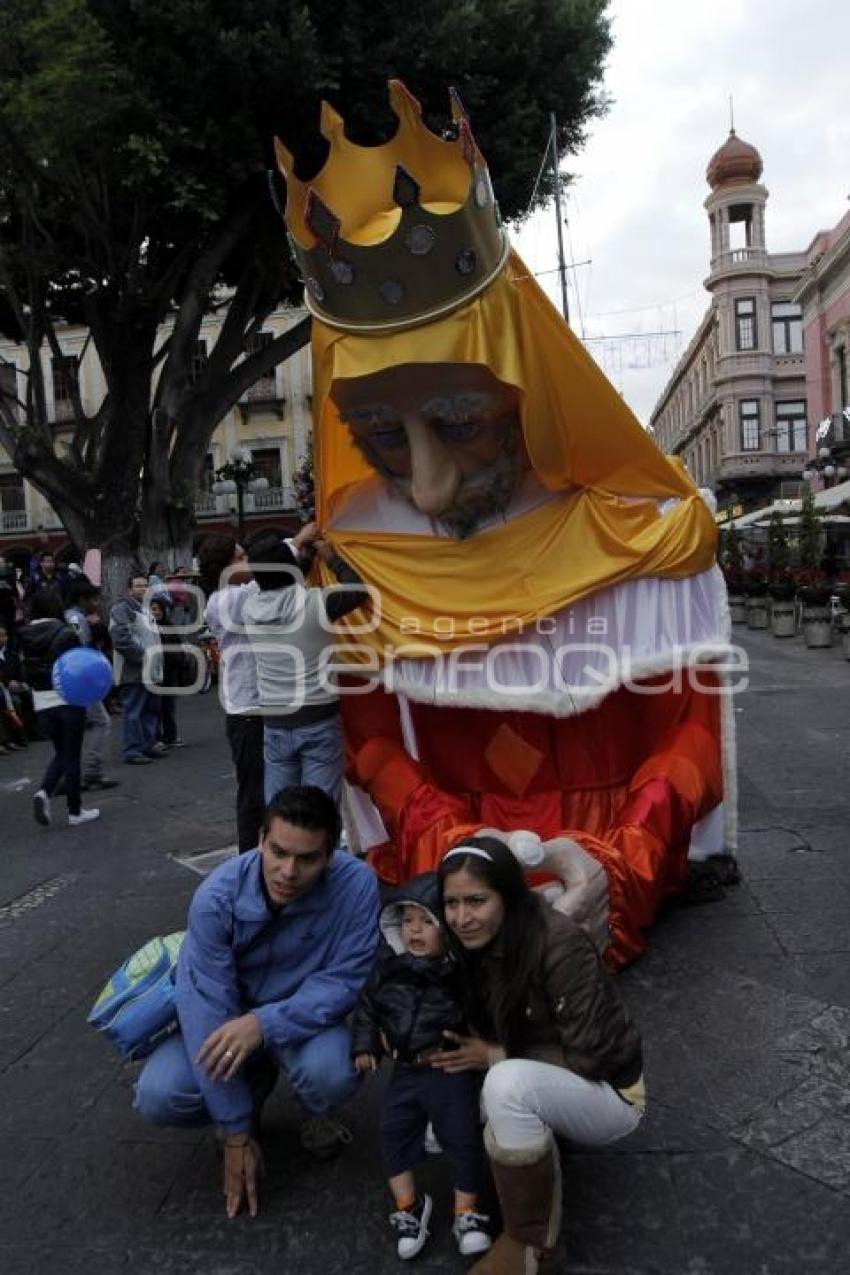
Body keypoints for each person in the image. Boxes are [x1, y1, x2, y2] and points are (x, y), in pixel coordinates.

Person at [274, 80, 734, 968]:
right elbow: (370, 742)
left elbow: (690, 739)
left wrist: (614, 870)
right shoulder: (359, 552)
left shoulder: (652, 531)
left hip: (597, 863)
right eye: (381, 439)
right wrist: (454, 862)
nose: (433, 488)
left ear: (526, 388)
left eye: (458, 421)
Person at [133, 785, 380, 1219]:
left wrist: (264, 1024)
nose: (288, 871)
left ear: (331, 856)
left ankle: (315, 1110)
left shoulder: (357, 884)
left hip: (303, 1019)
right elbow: (205, 1005)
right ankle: (249, 1093)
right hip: (227, 1017)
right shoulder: (215, 897)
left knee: (332, 1072)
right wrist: (235, 1131)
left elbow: (344, 980)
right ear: (261, 839)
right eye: (278, 852)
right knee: (159, 1094)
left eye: (308, 859)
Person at [434, 835, 644, 1275]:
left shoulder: (559, 943)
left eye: (476, 901)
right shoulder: (471, 940)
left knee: (505, 1087)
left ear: (508, 896)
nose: (461, 917)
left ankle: (532, 1246)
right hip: (548, 1069)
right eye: (451, 903)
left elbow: (590, 1057)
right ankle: (536, 1150)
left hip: (612, 1091)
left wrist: (496, 1056)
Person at [352, 871, 491, 1261]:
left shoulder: (458, 974)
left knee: (462, 1135)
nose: (415, 930)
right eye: (408, 920)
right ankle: (409, 1207)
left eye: (426, 921)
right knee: (392, 1132)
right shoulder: (388, 968)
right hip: (407, 1070)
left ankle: (467, 1211)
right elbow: (367, 1008)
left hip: (449, 1067)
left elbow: (480, 1011)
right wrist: (365, 1044)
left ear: (446, 930)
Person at [200, 525, 319, 854]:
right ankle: (251, 862)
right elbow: (269, 576)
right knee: (254, 796)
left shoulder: (244, 594)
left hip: (267, 707)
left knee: (279, 791)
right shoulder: (224, 601)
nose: (248, 562)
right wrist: (295, 543)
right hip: (249, 713)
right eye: (240, 558)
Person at [243, 530, 368, 806]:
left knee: (279, 809)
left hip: (275, 721)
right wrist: (331, 558)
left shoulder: (249, 609)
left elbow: (282, 581)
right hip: (319, 719)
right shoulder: (316, 603)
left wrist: (305, 558)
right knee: (320, 811)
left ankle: (279, 847)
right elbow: (357, 590)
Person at [16, 589, 100, 826]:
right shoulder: (65, 632)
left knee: (62, 752)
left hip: (41, 701)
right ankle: (73, 810)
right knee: (71, 755)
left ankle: (46, 793)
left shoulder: (24, 634)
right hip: (68, 698)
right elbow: (78, 664)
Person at [64, 578, 119, 791]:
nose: (96, 603)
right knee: (101, 722)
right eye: (93, 599)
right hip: (79, 680)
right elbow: (80, 650)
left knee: (78, 727)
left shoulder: (72, 616)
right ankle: (90, 772)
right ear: (82, 599)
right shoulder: (77, 619)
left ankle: (76, 774)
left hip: (72, 679)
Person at [109, 573, 166, 765]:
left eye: (145, 585)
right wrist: (144, 656)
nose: (143, 589)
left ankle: (147, 745)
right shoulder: (122, 609)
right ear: (129, 589)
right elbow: (120, 639)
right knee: (134, 710)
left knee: (150, 709)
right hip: (133, 670)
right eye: (138, 586)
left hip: (149, 670)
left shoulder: (144, 608)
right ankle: (133, 750)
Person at [148, 596, 188, 749]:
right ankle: (156, 737)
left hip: (170, 673)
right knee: (156, 707)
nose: (155, 612)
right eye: (153, 609)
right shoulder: (150, 629)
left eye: (158, 609)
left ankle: (170, 736)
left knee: (169, 707)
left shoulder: (169, 626)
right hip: (158, 673)